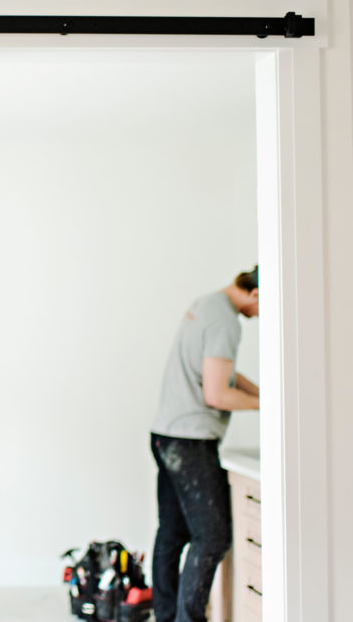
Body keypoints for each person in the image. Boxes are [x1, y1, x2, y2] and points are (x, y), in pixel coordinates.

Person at [149, 267, 261, 622]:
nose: (261, 317)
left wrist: (262, 391)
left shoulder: (207, 304)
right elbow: (217, 393)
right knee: (212, 537)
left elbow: (220, 372)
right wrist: (272, 406)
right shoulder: (227, 321)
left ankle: (167, 616)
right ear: (256, 294)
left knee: (172, 533)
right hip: (191, 441)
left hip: (165, 434)